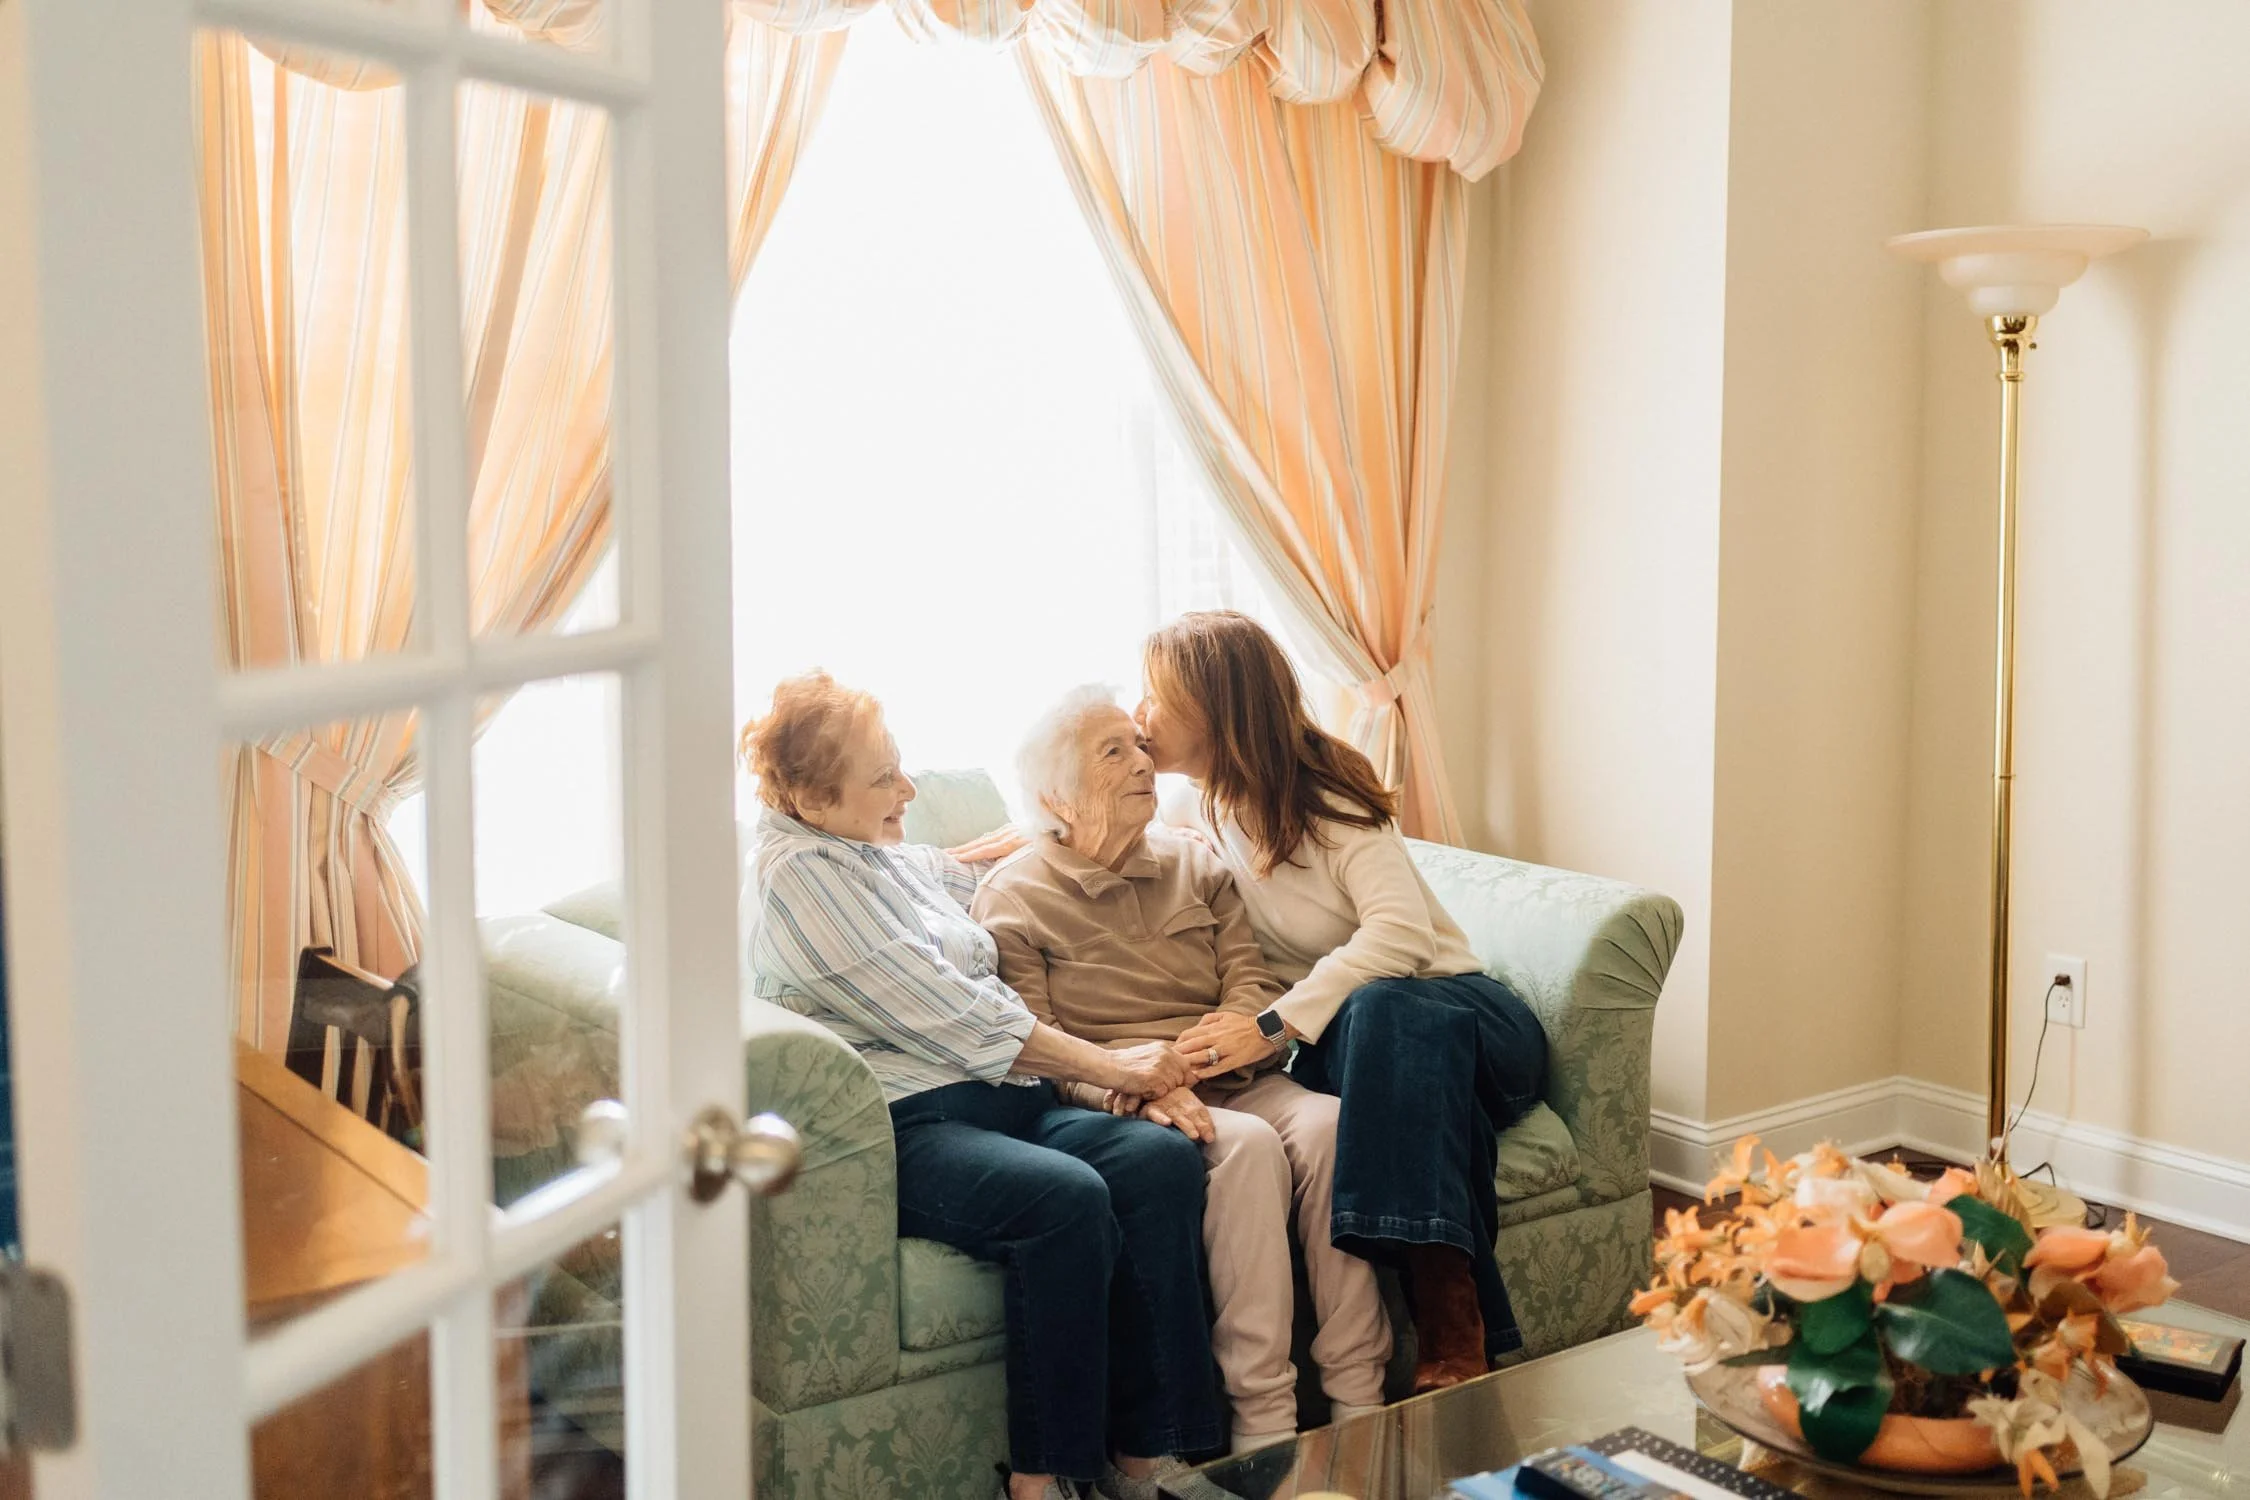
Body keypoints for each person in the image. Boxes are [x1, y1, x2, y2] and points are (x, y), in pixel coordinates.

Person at [741, 672, 1227, 1500]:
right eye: (885, 779)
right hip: (908, 1125)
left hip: (1007, 1102)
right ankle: (1042, 1481)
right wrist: (1119, 1068)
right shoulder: (798, 880)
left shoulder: (866, 852)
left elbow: (958, 870)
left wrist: (1051, 825)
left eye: (901, 766)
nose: (910, 789)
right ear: (815, 800)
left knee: (1159, 1164)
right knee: (1064, 1199)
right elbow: (955, 1016)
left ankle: (1147, 1460)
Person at [972, 687, 1391, 1453]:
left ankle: (1360, 1396)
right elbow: (1037, 1047)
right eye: (1114, 752)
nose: (1143, 762)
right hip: (1134, 1099)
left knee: (1331, 1123)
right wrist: (1127, 1084)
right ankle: (1265, 1419)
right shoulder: (1013, 899)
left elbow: (1251, 980)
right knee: (1247, 1148)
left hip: (1235, 1073)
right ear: (1053, 795)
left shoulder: (1195, 861)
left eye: (1139, 743)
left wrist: (1239, 1035)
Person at [1139, 613, 1550, 1393]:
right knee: (1392, 1060)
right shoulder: (1196, 808)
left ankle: (1452, 1323)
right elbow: (1099, 829)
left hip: (1467, 1018)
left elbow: (1401, 939)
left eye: (1155, 698)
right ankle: (1457, 1327)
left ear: (1215, 707)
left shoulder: (1328, 796)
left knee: (1386, 1009)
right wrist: (1030, 832)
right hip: (1368, 1055)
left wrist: (1270, 1027)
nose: (1141, 717)